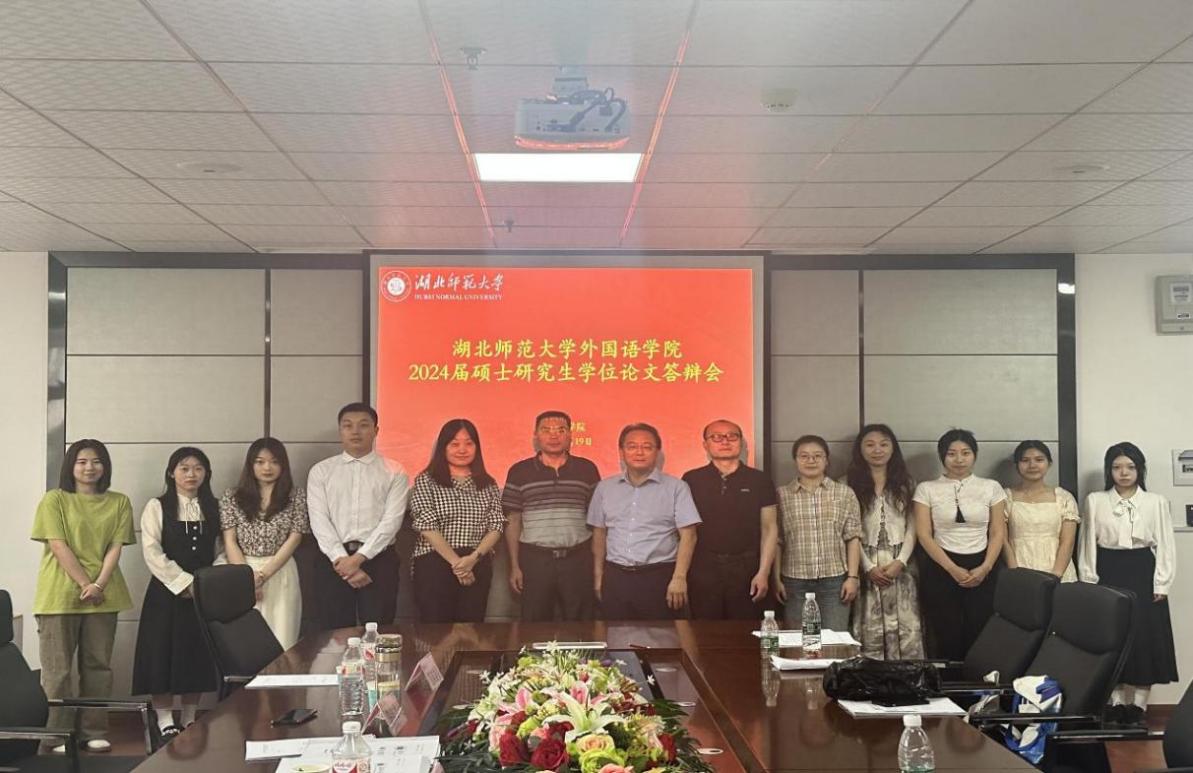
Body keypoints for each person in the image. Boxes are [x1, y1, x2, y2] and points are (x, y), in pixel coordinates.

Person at [31, 439, 135, 753]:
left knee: (98, 667)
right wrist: (84, 583)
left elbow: (116, 546)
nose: (90, 467)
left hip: (104, 595)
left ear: (106, 466)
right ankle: (56, 735)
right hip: (59, 595)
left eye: (96, 461)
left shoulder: (119, 502)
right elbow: (57, 544)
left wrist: (98, 585)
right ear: (70, 466)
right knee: (57, 671)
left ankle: (93, 730)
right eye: (82, 461)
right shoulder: (54, 499)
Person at [1078, 442, 1177, 727]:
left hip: (1143, 570)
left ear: (1140, 470)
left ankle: (1138, 707)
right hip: (1107, 570)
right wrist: (1089, 580)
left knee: (1145, 638)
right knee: (1112, 637)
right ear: (1109, 470)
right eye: (1117, 467)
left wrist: (1162, 583)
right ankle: (1116, 703)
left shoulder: (1156, 502)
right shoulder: (1095, 500)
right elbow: (1087, 543)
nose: (1124, 473)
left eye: (1130, 467)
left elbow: (1166, 544)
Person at [132, 446, 220, 741]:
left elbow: (223, 549)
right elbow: (151, 550)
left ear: (206, 473)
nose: (191, 474)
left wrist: (206, 583)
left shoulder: (215, 506)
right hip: (165, 591)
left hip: (204, 592)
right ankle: (165, 718)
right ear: (171, 473)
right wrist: (182, 582)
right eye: (184, 468)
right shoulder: (157, 506)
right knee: (161, 652)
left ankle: (190, 716)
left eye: (198, 468)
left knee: (195, 653)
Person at [307, 403, 409, 629]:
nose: (355, 431)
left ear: (376, 430)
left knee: (379, 632)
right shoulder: (321, 471)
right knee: (332, 635)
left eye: (363, 425)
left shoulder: (395, 471)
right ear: (340, 431)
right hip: (332, 561)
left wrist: (358, 559)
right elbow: (319, 520)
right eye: (348, 426)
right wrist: (342, 560)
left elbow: (391, 522)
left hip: (379, 560)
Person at [588, 423, 702, 620]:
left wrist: (679, 578)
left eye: (647, 447)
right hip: (616, 577)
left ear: (657, 452)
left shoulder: (676, 487)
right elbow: (599, 534)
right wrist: (599, 578)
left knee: (662, 636)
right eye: (632, 446)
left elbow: (689, 536)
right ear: (621, 452)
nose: (639, 452)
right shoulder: (605, 488)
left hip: (659, 576)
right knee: (615, 634)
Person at [912, 429, 1006, 661]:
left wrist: (985, 567)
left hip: (984, 565)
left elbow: (997, 532)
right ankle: (949, 682)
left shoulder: (991, 487)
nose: (959, 459)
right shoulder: (926, 488)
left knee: (980, 631)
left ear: (975, 455)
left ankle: (978, 682)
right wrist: (952, 569)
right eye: (951, 453)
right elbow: (924, 534)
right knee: (946, 634)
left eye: (966, 453)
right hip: (941, 566)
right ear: (942, 457)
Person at [503, 411, 601, 621]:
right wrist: (515, 566)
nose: (554, 435)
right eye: (546, 430)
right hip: (535, 560)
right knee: (534, 624)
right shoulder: (519, 471)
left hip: (578, 559)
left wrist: (596, 567)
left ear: (570, 435)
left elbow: (597, 522)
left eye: (561, 430)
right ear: (536, 435)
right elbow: (513, 521)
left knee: (581, 624)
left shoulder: (587, 469)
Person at [681, 419, 778, 620]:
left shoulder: (759, 480)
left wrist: (763, 572)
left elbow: (769, 528)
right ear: (705, 444)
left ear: (741, 442)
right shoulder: (691, 479)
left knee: (746, 632)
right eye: (716, 437)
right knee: (704, 632)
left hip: (747, 568)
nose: (725, 441)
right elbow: (685, 532)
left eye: (732, 436)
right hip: (704, 569)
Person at [410, 419, 505, 622]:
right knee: (435, 631)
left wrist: (473, 559)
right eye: (454, 444)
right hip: (435, 562)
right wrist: (458, 564)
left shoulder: (488, 483)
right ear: (443, 448)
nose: (462, 449)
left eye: (469, 443)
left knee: (471, 630)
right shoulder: (427, 479)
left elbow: (497, 525)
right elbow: (426, 525)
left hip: (477, 561)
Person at [219, 437, 309, 649]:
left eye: (274, 462)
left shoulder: (295, 495)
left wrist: (263, 576)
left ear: (283, 465)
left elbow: (295, 537)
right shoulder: (232, 496)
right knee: (246, 644)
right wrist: (248, 579)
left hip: (280, 570)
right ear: (250, 465)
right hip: (241, 570)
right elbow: (230, 540)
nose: (267, 468)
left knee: (283, 639)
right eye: (260, 462)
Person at [844, 424, 924, 659]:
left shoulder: (907, 482)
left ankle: (906, 675)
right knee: (869, 624)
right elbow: (848, 530)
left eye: (883, 444)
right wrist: (867, 567)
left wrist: (901, 561)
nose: (877, 450)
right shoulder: (847, 483)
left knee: (907, 624)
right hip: (863, 561)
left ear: (893, 448)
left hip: (902, 562)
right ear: (860, 449)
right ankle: (870, 675)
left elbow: (913, 526)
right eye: (869, 445)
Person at [774, 435, 862, 631]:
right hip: (794, 581)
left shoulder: (844, 493)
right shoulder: (782, 495)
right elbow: (777, 541)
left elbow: (853, 537)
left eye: (817, 456)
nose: (811, 460)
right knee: (799, 641)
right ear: (795, 460)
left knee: (834, 639)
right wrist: (776, 579)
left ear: (826, 460)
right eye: (804, 456)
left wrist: (852, 577)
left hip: (835, 580)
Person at [1003, 440, 1079, 582]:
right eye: (1025, 460)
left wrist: (1055, 576)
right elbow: (1002, 540)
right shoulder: (1005, 497)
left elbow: (1067, 542)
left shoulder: (1064, 498)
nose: (1032, 465)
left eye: (1039, 460)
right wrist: (1015, 573)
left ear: (1049, 463)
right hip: (1019, 568)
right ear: (1016, 465)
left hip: (1058, 570)